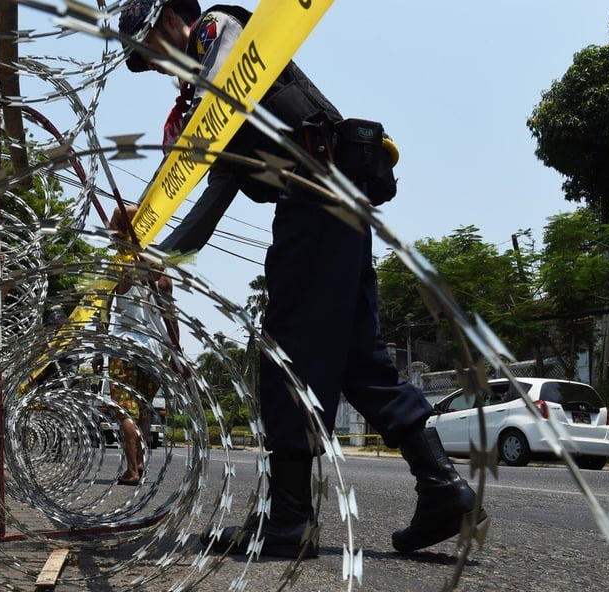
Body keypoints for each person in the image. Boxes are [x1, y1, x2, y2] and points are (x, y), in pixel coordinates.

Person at [116, 0, 486, 558]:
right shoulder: (200, 96)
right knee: (361, 363)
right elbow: (206, 187)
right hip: (331, 203)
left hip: (316, 201)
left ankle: (289, 521)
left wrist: (162, 251)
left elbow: (212, 179)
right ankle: (443, 490)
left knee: (284, 352)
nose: (155, 62)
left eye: (150, 45)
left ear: (173, 15)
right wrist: (148, 242)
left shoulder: (220, 35)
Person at [102, 220, 177, 486]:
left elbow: (104, 312)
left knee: (124, 412)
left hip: (125, 347)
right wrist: (176, 354)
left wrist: (100, 349)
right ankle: (141, 463)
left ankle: (132, 470)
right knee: (143, 411)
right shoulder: (165, 281)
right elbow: (171, 320)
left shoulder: (122, 273)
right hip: (155, 351)